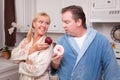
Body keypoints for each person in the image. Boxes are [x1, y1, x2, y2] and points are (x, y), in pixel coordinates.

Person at [51, 5, 120, 80]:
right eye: (63, 22)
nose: (63, 26)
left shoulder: (100, 41)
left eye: (67, 22)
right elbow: (54, 68)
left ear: (78, 22)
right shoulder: (61, 41)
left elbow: (112, 71)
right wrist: (55, 63)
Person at [11, 12, 53, 80]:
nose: (44, 25)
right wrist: (32, 49)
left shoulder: (46, 44)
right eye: (41, 22)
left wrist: (21, 63)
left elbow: (38, 71)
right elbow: (13, 57)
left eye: (47, 23)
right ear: (34, 24)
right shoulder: (26, 41)